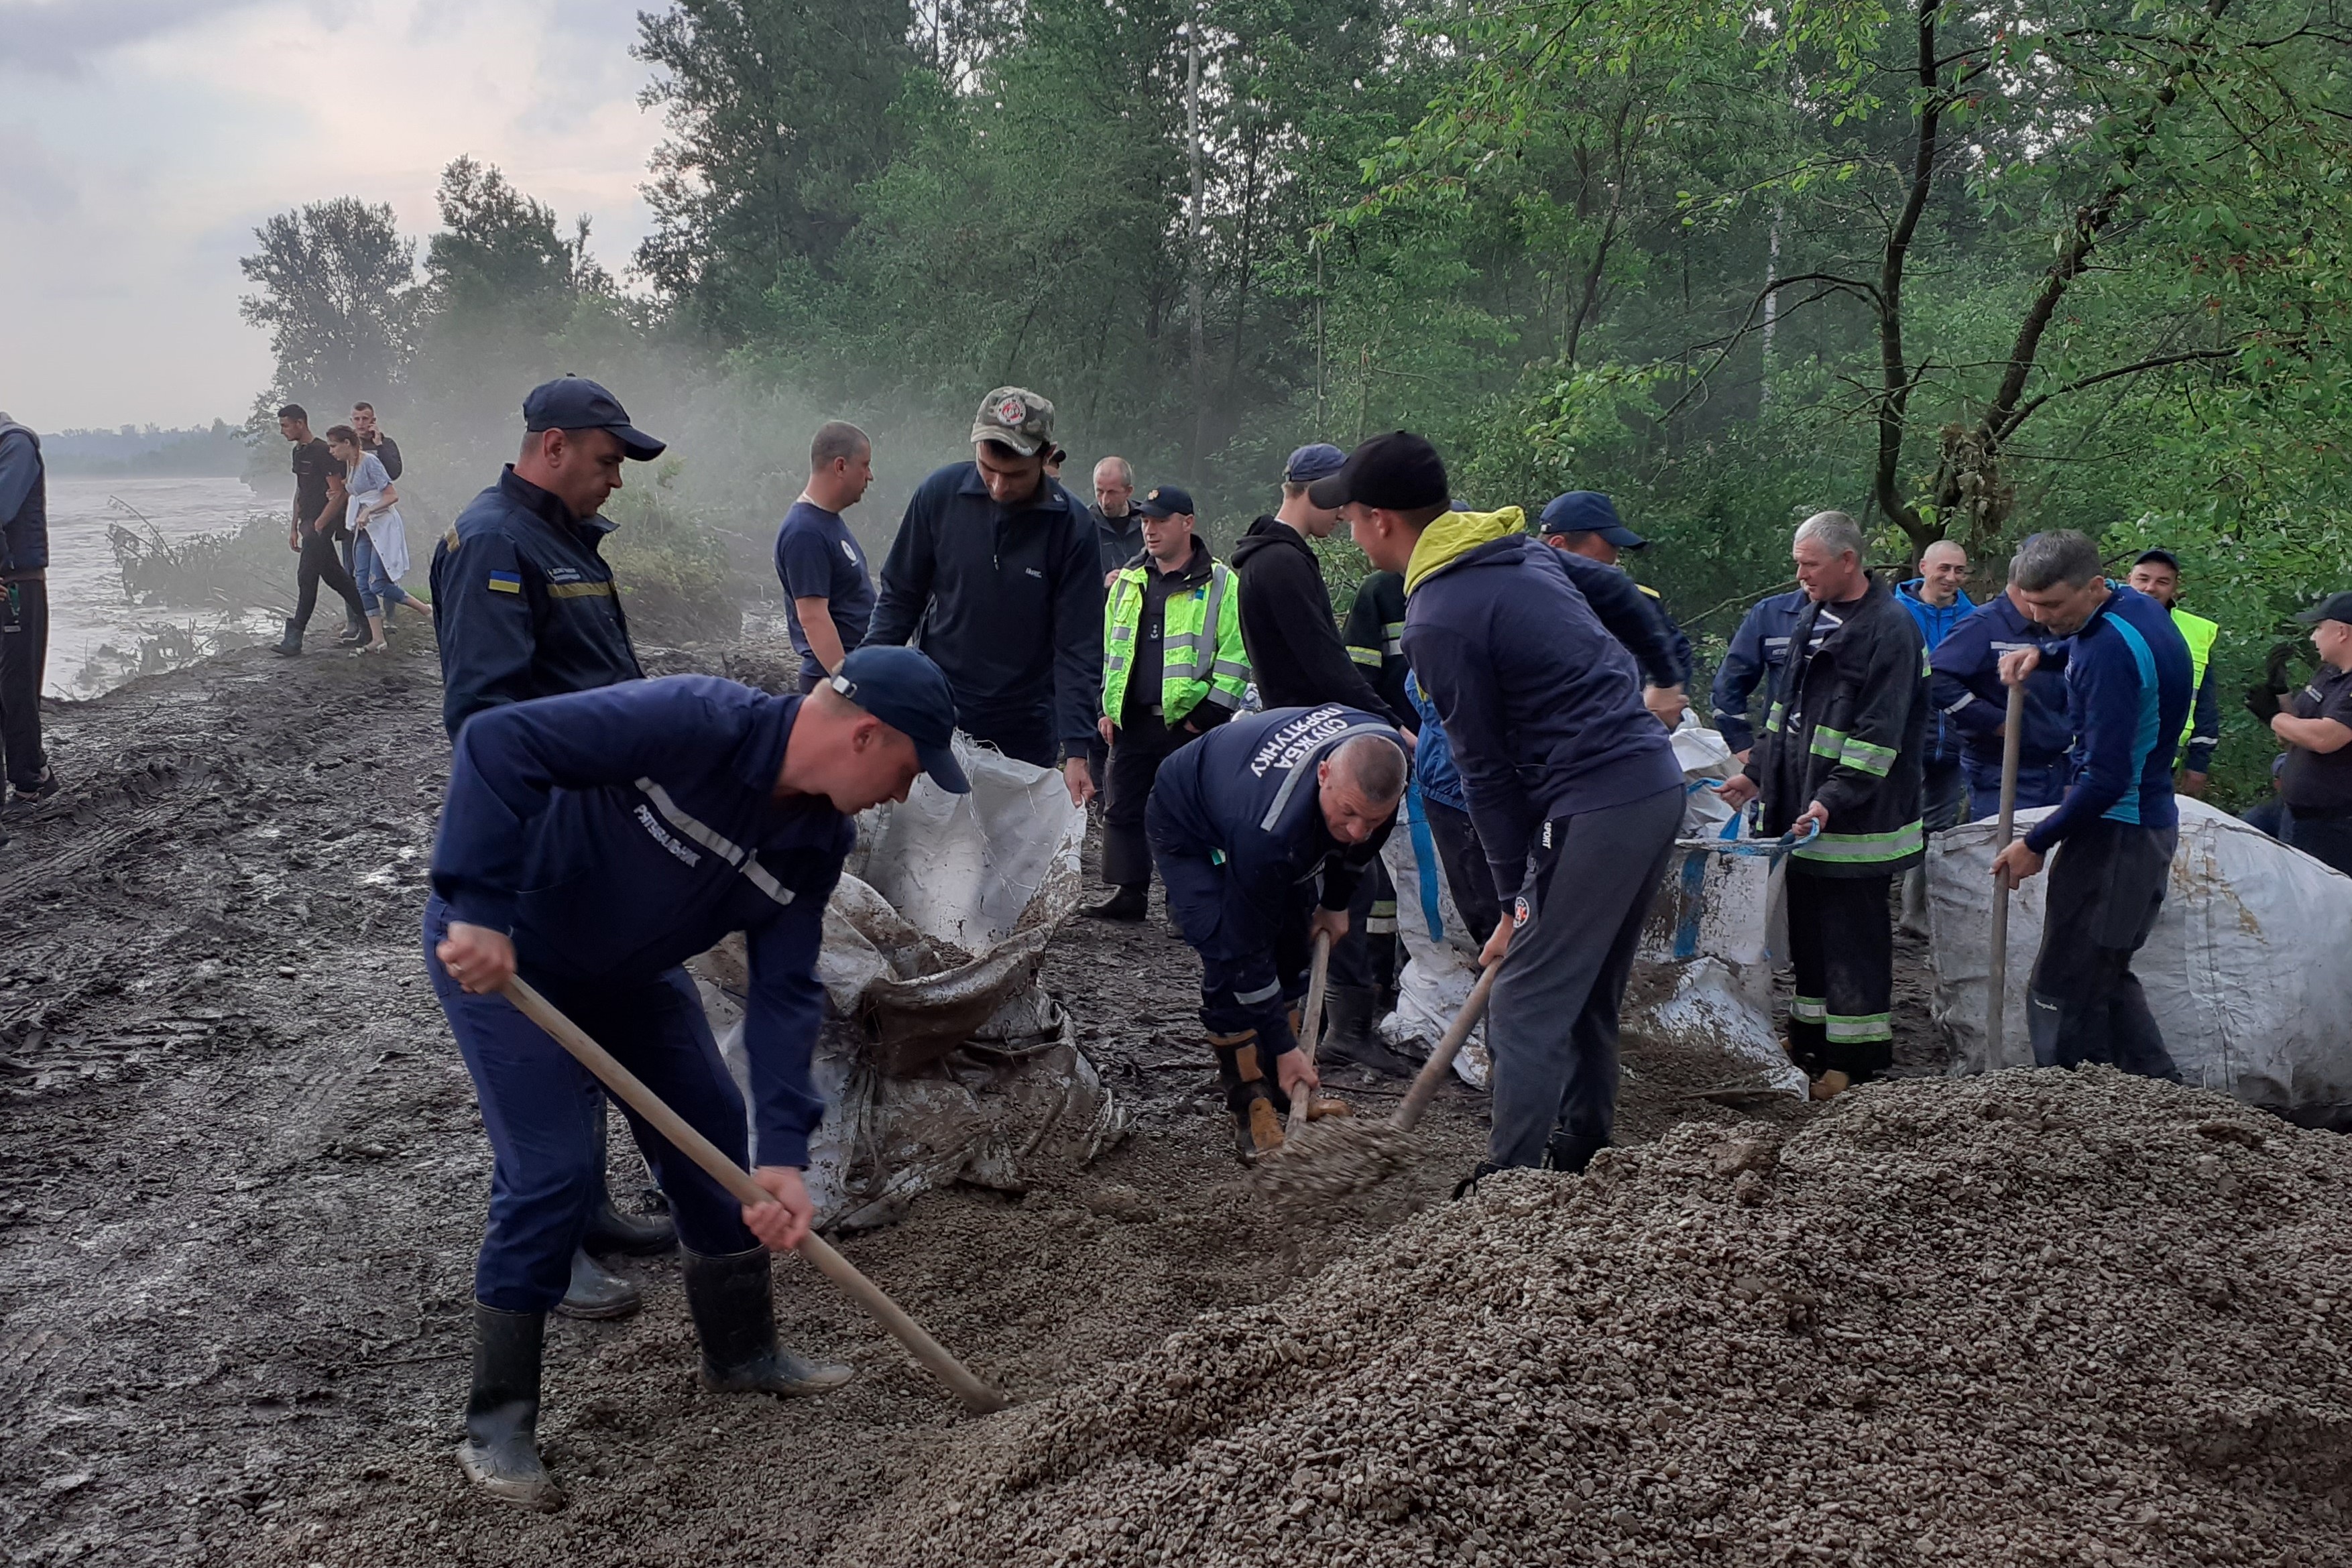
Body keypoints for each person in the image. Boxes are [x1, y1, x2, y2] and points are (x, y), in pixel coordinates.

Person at [426, 648, 969, 1509]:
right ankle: (497, 1428)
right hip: (509, 960)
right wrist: (481, 907)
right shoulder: (694, 720)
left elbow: (786, 990)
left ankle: (742, 1353)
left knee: (718, 1136)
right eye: (907, 771)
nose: (902, 795)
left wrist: (784, 1154)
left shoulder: (813, 840)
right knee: (552, 1172)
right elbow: (499, 742)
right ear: (867, 734)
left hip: (631, 975)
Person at [1340, 434, 1685, 1183]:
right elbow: (1619, 593)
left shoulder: (1437, 617)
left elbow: (1484, 772)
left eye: (1352, 519)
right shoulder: (1513, 548)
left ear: (1379, 519)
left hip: (1601, 798)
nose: (1350, 532)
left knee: (1525, 993)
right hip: (1649, 785)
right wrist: (1664, 676)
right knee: (1584, 983)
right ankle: (1579, 1148)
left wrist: (1510, 901)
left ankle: (1510, 1184)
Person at [430, 375, 679, 1317]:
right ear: (555, 445)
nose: (617, 479)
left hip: (591, 837)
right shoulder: (493, 539)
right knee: (537, 1049)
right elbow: (486, 722)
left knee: (583, 1029)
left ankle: (593, 1208)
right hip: (535, 845)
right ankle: (555, 1243)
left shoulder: (564, 536)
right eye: (609, 460)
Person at [1718, 511, 1927, 1101]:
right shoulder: (1813, 614)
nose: (1799, 573)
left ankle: (1854, 1060)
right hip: (1804, 816)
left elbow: (1876, 737)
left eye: (1809, 563)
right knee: (1808, 934)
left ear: (1847, 561)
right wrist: (1756, 772)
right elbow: (1786, 713)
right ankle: (1808, 1038)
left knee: (1850, 940)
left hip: (1858, 822)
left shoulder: (1892, 629)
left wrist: (1830, 800)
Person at [1147, 704, 1408, 1161]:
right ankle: (1251, 1101)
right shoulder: (1266, 828)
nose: (1355, 831)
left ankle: (1288, 1090)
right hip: (1188, 820)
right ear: (1324, 772)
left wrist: (1335, 901)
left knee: (1291, 943)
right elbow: (1245, 954)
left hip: (1262, 808)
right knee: (1230, 952)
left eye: (1372, 818)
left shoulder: (1382, 756)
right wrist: (1288, 1046)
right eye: (1348, 813)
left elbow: (1367, 836)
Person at [1230, 445, 1419, 1076]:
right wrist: (1386, 720)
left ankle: (1331, 1021)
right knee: (1349, 872)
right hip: (1313, 731)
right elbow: (1323, 660)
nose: (1346, 517)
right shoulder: (1281, 562)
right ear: (1317, 490)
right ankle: (1346, 1027)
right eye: (1341, 501)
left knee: (1335, 874)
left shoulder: (1268, 557)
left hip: (1296, 726)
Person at [1991, 532, 2192, 1080]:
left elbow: (2105, 778)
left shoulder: (2107, 655)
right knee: (2105, 975)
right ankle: (2162, 1098)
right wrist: (2046, 652)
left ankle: (2073, 1109)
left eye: (2053, 606)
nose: (2041, 616)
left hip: (2118, 835)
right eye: (2031, 605)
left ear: (2097, 585)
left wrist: (2035, 842)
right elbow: (2086, 638)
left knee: (2064, 986)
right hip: (2137, 827)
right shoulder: (2136, 608)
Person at [867, 387, 1101, 808]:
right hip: (936, 703)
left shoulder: (1073, 527)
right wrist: (864, 682)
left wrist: (1078, 749)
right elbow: (900, 598)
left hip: (1024, 723)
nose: (997, 485)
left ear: (1046, 456)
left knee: (1000, 851)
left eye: (1013, 475)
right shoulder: (940, 496)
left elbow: (1078, 646)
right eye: (987, 468)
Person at [1088, 485, 1247, 921]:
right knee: (1121, 807)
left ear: (1188, 523)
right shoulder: (1129, 580)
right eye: (1144, 521)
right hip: (1132, 720)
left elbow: (1236, 653)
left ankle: (1187, 902)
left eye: (1160, 520)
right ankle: (1128, 892)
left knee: (1189, 812)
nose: (1150, 529)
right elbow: (1111, 649)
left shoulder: (1222, 583)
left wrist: (1212, 712)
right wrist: (1106, 707)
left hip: (1189, 722)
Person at [1930, 553, 2075, 816]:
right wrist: (1996, 722)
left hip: (2057, 770)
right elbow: (1936, 679)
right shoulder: (1982, 626)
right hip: (2001, 773)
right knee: (2001, 852)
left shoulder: (2055, 629)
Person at [1537, 491, 1691, 727]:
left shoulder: (1637, 603)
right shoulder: (1518, 607)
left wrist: (1662, 695)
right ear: (1558, 546)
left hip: (1633, 738)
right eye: (1600, 567)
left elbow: (1676, 651)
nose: (1616, 562)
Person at [1893, 539, 1975, 931]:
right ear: (1924, 566)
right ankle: (1873, 906)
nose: (1951, 578)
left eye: (1959, 570)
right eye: (1944, 569)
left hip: (1954, 738)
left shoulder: (1975, 618)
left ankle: (1916, 911)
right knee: (1892, 820)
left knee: (1937, 828)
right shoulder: (1895, 612)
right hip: (1902, 736)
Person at [2251, 591, 2352, 876]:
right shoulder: (2330, 674)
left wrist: (2273, 717)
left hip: (2332, 826)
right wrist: (2280, 693)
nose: (2313, 637)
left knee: (2317, 907)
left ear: (2341, 632)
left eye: (2319, 628)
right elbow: (2293, 732)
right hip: (2291, 811)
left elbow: (2325, 738)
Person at [774, 422, 877, 693]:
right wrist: (845, 686)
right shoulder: (804, 532)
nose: (870, 476)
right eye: (865, 465)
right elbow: (813, 617)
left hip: (857, 672)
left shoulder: (826, 522)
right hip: (832, 684)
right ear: (840, 466)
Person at [272, 406, 372, 657]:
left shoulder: (321, 451)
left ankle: (295, 637)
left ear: (300, 423)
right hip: (307, 523)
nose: (282, 431)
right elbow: (300, 490)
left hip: (321, 526)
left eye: (285, 425)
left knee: (307, 577)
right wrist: (294, 526)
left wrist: (319, 525)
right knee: (335, 576)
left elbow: (338, 493)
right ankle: (369, 622)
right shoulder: (299, 452)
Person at [325, 424, 431, 654]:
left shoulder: (370, 462)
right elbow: (358, 491)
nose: (331, 451)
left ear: (347, 443)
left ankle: (425, 610)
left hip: (382, 526)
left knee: (377, 583)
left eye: (334, 446)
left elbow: (392, 495)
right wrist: (340, 495)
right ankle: (377, 638)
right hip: (365, 529)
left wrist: (368, 511)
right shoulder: (349, 465)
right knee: (362, 583)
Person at [2126, 549, 2221, 797]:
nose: (2150, 588)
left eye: (2162, 582)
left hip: (2160, 766)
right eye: (2143, 579)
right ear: (2129, 580)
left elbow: (2205, 706)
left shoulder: (2196, 633)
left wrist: (2198, 765)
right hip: (2098, 761)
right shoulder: (2099, 622)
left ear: (2175, 587)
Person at [0, 412, 55, 823]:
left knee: (15, 684)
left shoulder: (15, 443)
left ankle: (31, 779)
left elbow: (1, 507)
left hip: (18, 581)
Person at [1710, 586, 1812, 762]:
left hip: (1853, 769)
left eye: (1812, 565)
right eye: (1799, 564)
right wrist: (1742, 745)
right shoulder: (1770, 613)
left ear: (1847, 561)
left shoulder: (1871, 614)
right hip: (1783, 760)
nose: (1802, 574)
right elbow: (1729, 684)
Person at [351, 401, 402, 479]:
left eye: (365, 419)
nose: (361, 423)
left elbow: (394, 473)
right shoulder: (347, 444)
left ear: (373, 420)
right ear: (352, 421)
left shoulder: (387, 443)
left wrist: (379, 445)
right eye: (357, 419)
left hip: (381, 489)